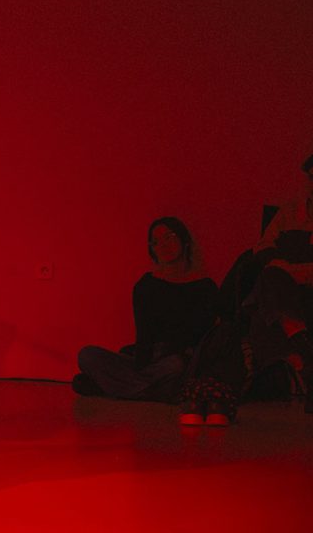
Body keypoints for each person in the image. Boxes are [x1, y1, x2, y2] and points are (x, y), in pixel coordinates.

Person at [74, 217, 222, 404]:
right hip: (150, 359)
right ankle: (160, 393)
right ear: (152, 250)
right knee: (87, 354)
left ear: (184, 241)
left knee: (175, 366)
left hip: (180, 359)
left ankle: (111, 388)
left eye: (169, 237)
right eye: (156, 242)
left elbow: (203, 333)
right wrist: (140, 362)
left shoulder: (205, 287)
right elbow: (144, 334)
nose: (163, 245)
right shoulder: (146, 285)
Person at [244, 152, 313, 413]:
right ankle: (304, 351)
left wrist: (301, 271)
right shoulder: (291, 211)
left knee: (265, 301)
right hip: (287, 284)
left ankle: (301, 355)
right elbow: (263, 245)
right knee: (270, 278)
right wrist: (279, 264)